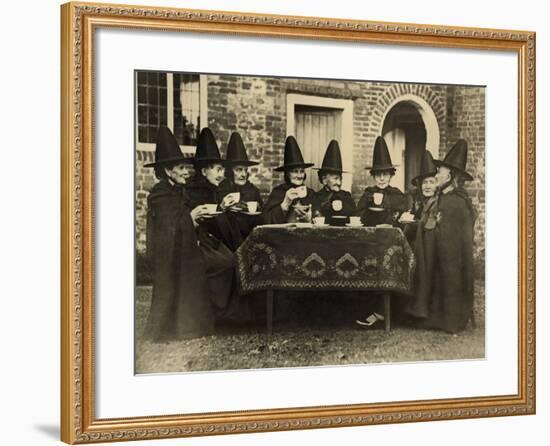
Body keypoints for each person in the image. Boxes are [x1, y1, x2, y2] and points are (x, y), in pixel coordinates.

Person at [143, 126, 232, 341]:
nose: (186, 172)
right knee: (220, 264)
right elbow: (167, 232)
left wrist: (196, 218)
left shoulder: (177, 190)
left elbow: (180, 222)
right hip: (170, 257)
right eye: (181, 168)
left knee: (226, 260)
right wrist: (191, 218)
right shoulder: (160, 195)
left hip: (186, 248)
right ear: (167, 171)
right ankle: (199, 322)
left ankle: (219, 317)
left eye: (186, 167)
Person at [422, 139, 477, 333]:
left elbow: (455, 236)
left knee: (449, 274)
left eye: (440, 172)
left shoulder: (457, 202)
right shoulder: (444, 197)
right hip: (443, 252)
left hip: (454, 257)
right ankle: (438, 317)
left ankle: (452, 319)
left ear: (450, 175)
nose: (437, 174)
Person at [186, 128, 243, 251]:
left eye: (222, 169)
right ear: (204, 171)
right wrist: (221, 208)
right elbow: (206, 225)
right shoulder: (192, 191)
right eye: (217, 170)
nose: (221, 174)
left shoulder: (216, 188)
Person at [402, 150, 439, 320]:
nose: (428, 186)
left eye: (431, 182)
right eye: (425, 183)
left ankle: (418, 305)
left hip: (433, 246)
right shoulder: (418, 202)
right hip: (418, 243)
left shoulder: (439, 202)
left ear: (437, 184)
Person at [218, 131, 264, 240]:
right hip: (226, 239)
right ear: (230, 171)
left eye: (245, 170)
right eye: (239, 170)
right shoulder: (221, 189)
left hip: (249, 237)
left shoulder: (253, 190)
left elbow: (263, 218)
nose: (243, 174)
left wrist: (258, 207)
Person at [357, 136, 408, 227]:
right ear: (373, 176)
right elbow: (359, 218)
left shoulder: (397, 195)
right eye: (378, 175)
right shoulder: (368, 194)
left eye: (385, 174)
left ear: (391, 175)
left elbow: (403, 219)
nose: (381, 178)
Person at [263, 136, 315, 224]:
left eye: (301, 171)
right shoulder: (278, 192)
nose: (299, 176)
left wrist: (310, 219)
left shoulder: (311, 193)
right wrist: (285, 204)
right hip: (283, 236)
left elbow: (321, 219)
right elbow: (266, 220)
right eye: (295, 172)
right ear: (287, 174)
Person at [311, 140, 357, 223]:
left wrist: (343, 208)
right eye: (335, 178)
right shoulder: (316, 198)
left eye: (340, 179)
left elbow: (355, 216)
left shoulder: (347, 197)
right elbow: (315, 217)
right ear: (324, 180)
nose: (339, 183)